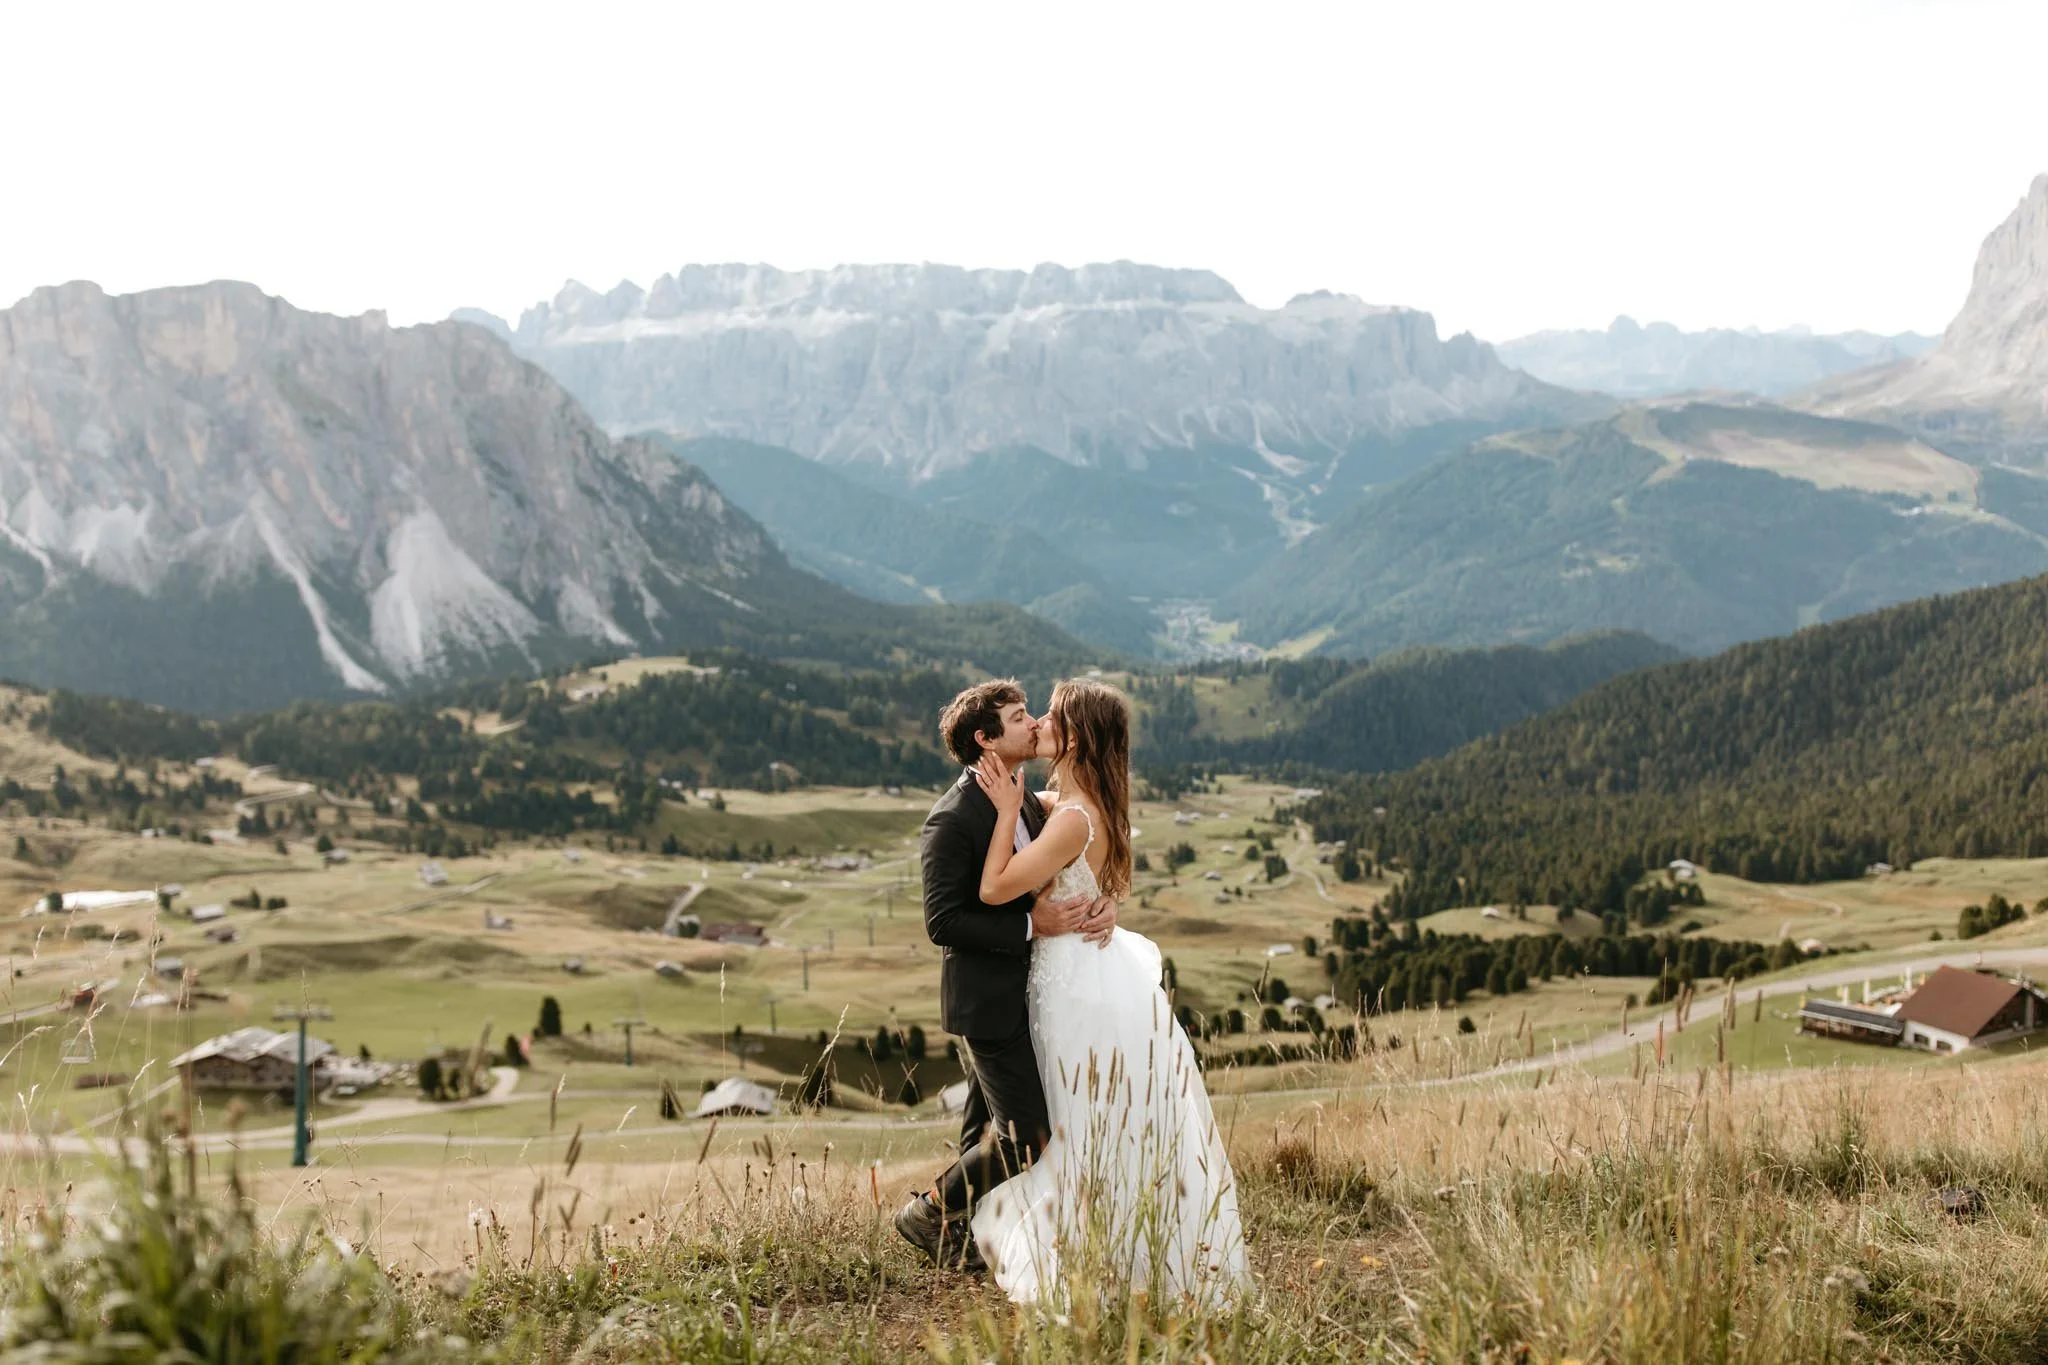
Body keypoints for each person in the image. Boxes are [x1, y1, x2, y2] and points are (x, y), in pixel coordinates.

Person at [966, 678, 1246, 1307]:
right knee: (1074, 1119)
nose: (1037, 721)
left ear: (1077, 736)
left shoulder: (1069, 817)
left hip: (1072, 988)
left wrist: (1007, 810)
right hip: (1086, 975)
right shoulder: (1076, 802)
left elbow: (996, 889)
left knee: (1073, 1125)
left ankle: (1090, 1258)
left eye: (1051, 716)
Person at [894, 679, 1116, 1271]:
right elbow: (943, 921)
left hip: (1036, 996)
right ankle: (926, 1213)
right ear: (985, 739)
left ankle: (967, 1234)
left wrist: (1105, 898)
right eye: (1019, 718)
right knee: (1027, 1137)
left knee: (987, 1132)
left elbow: (1083, 848)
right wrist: (1031, 928)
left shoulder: (1031, 797)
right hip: (989, 1001)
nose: (1035, 723)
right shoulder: (952, 818)